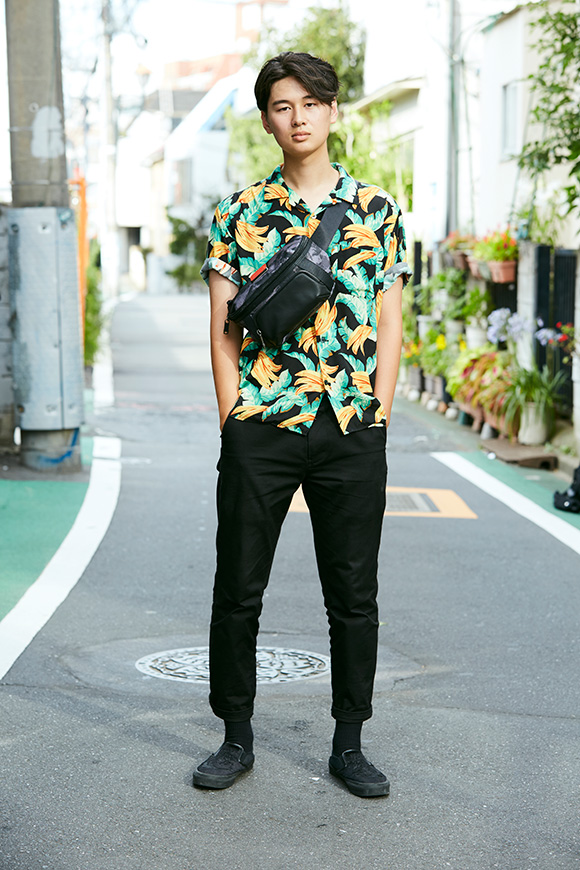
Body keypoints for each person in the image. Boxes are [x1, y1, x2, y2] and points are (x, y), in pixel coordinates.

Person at [193, 51, 411, 798]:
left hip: (351, 424)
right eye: (283, 106)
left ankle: (349, 744)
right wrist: (234, 417)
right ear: (266, 120)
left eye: (312, 104)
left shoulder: (376, 209)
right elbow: (222, 328)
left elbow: (390, 320)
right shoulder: (239, 211)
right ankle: (235, 737)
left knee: (353, 594)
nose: (299, 118)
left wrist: (379, 410)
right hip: (264, 420)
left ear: (333, 112)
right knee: (238, 587)